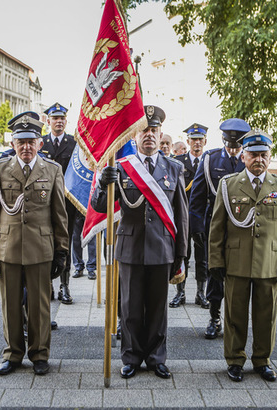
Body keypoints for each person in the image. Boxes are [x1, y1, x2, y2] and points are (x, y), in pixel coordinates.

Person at [91, 105, 188, 380]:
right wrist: (103, 184)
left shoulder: (174, 168)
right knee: (130, 308)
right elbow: (100, 207)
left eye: (154, 130)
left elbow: (180, 215)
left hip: (162, 248)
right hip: (131, 247)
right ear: (134, 137)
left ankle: (157, 358)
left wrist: (180, 255)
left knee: (158, 309)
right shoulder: (121, 168)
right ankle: (131, 357)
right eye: (144, 130)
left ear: (160, 135)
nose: (149, 135)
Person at [0, 111, 69, 376]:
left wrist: (62, 251)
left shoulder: (52, 170)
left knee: (40, 306)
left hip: (41, 249)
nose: (26, 147)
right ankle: (13, 354)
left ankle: (40, 354)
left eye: (31, 141)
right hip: (7, 248)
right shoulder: (0, 170)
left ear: (40, 143)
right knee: (10, 305)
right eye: (21, 141)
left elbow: (59, 215)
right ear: (12, 143)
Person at [208, 129, 277, 383]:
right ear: (244, 156)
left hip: (269, 263)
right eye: (254, 154)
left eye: (264, 155)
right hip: (235, 261)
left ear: (270, 157)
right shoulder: (228, 185)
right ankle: (235, 360)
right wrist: (215, 260)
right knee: (234, 315)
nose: (259, 159)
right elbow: (217, 227)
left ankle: (262, 360)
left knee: (265, 316)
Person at [189, 118, 250, 339]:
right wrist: (196, 228)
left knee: (239, 276)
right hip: (215, 226)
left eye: (237, 146)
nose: (233, 150)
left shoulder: (249, 159)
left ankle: (234, 320)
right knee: (215, 273)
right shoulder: (210, 159)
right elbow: (197, 196)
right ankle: (214, 318)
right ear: (223, 140)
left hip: (243, 227)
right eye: (230, 145)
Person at [41, 102, 77, 304]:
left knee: (64, 244)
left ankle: (65, 286)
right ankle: (49, 285)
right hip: (43, 204)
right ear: (48, 121)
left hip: (66, 204)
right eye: (55, 118)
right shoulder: (42, 144)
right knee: (45, 243)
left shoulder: (73, 144)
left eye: (62, 118)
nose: (59, 122)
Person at [171, 123, 208, 309]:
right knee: (182, 254)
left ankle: (201, 293)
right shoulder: (178, 162)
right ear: (188, 141)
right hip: (183, 216)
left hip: (202, 218)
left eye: (200, 140)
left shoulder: (209, 162)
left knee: (203, 257)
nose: (197, 143)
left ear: (205, 141)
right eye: (193, 140)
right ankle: (180, 293)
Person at [71, 211, 97, 279]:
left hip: (90, 210)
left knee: (92, 241)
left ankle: (91, 268)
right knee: (76, 240)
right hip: (77, 210)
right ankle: (78, 267)